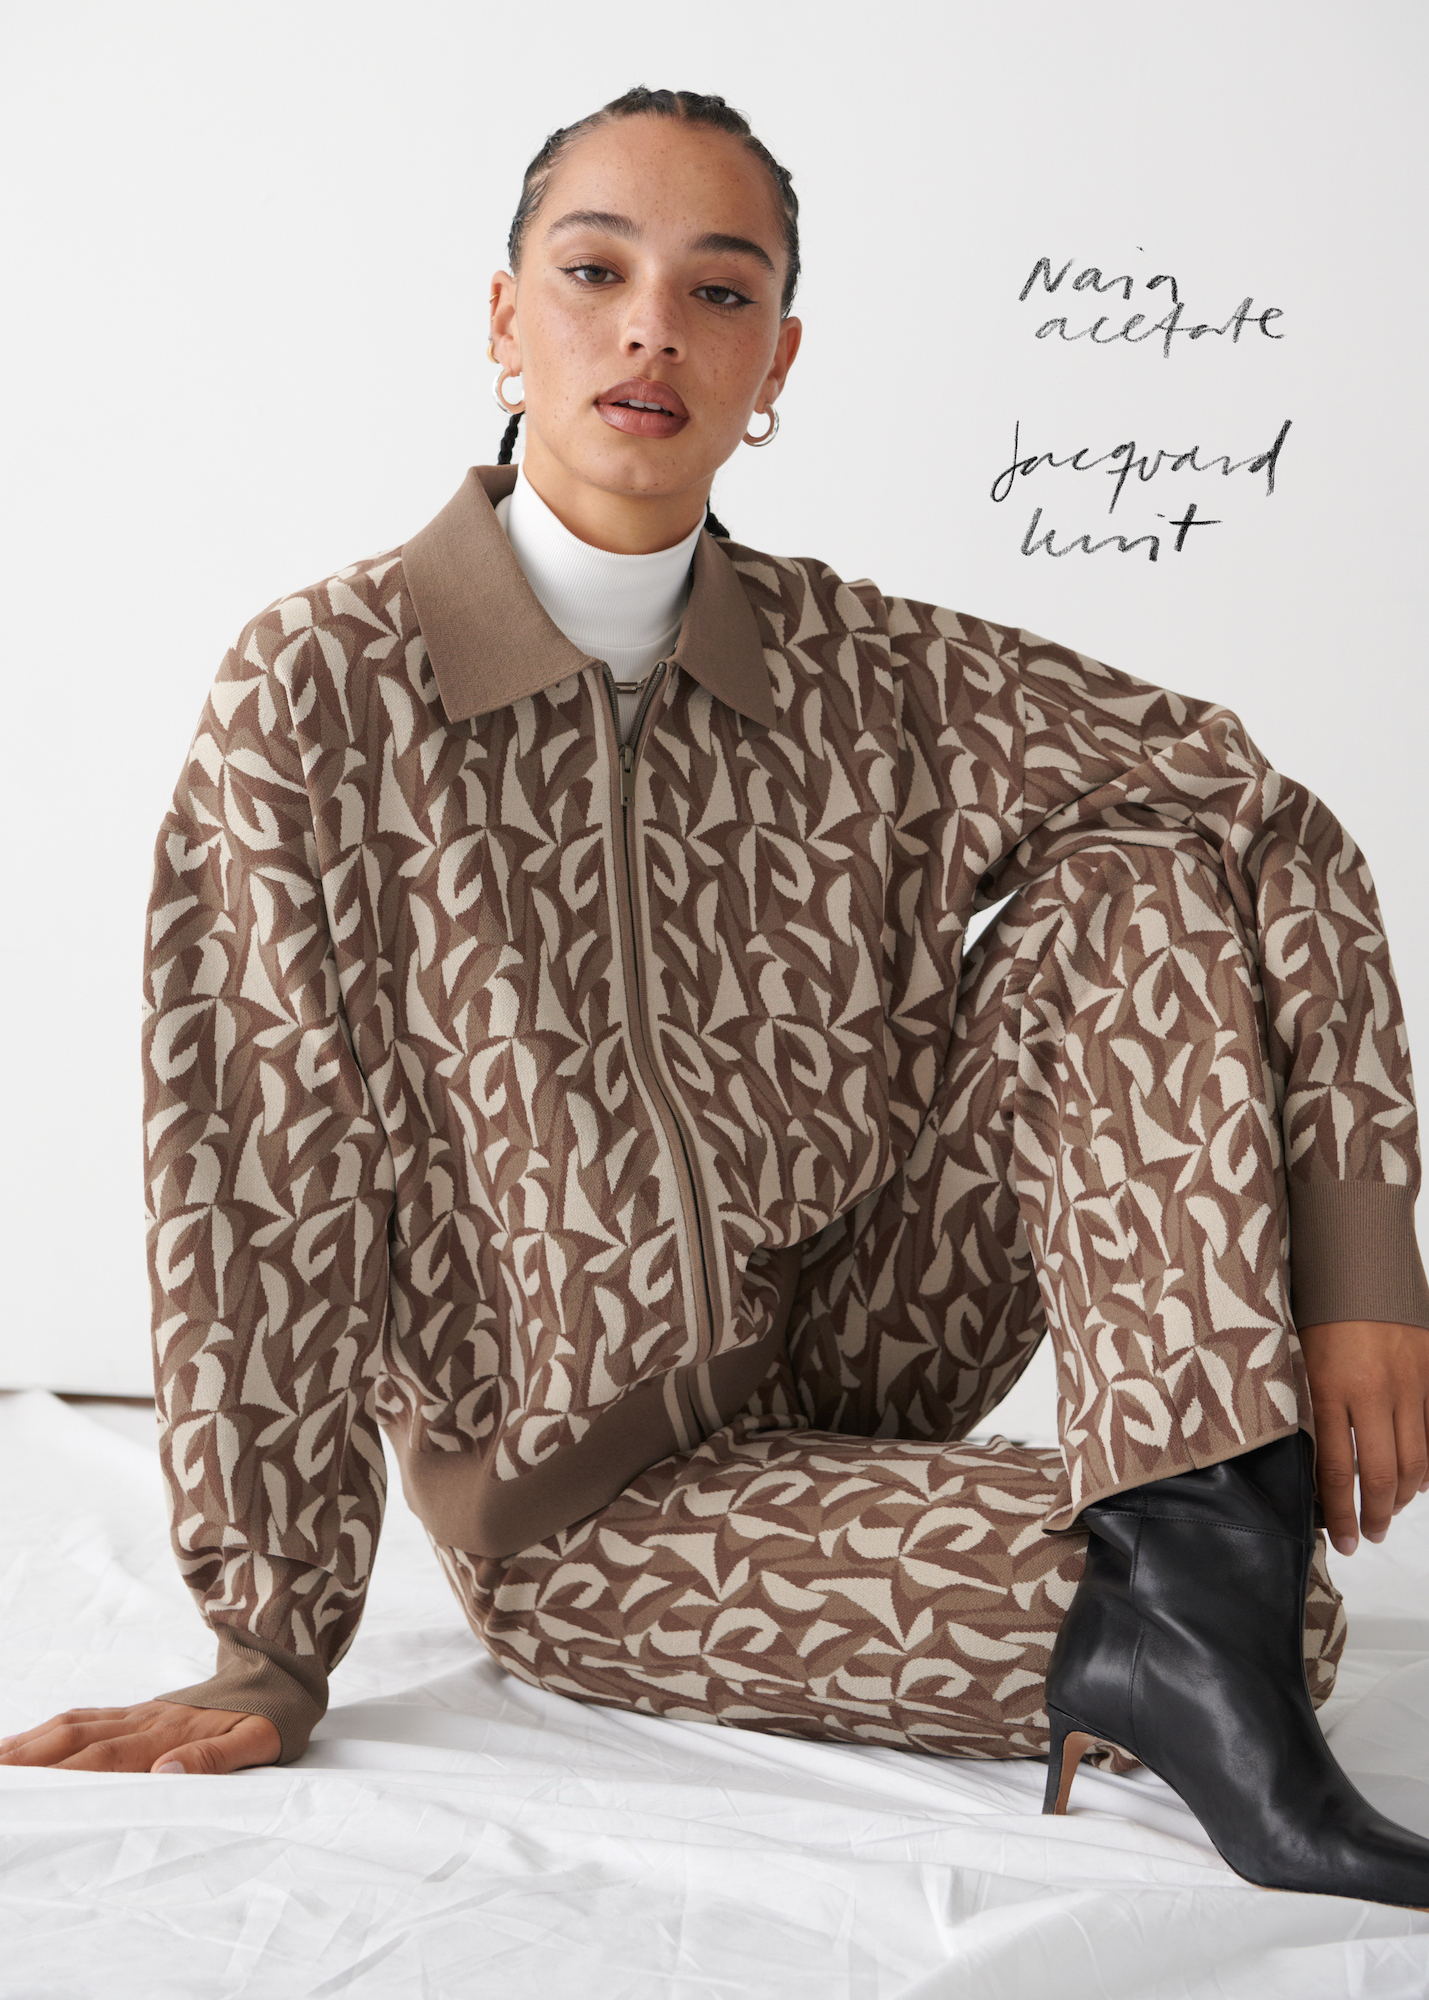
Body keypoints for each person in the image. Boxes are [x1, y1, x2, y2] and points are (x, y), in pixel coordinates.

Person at [5, 85, 1429, 1907]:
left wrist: (1360, 1264)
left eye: (720, 290)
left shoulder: (866, 669)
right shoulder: (325, 692)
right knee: (1278, 1623)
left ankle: (1199, 1542)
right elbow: (258, 1162)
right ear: (505, 319)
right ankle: (1208, 1623)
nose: (652, 330)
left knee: (1134, 876)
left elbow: (1254, 810)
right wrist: (265, 1646)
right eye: (594, 272)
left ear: (777, 361)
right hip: (585, 1507)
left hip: (871, 1354)